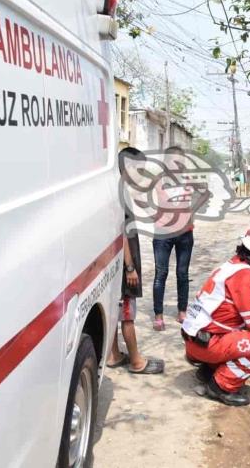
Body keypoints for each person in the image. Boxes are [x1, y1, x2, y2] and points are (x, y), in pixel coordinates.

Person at [181, 224, 250, 406]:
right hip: (209, 344)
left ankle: (209, 369)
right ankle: (221, 385)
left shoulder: (230, 265)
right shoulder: (248, 276)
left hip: (195, 340)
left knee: (240, 329)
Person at [108, 147, 165, 374]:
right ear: (128, 166)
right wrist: (130, 267)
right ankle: (136, 361)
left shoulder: (114, 189)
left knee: (115, 309)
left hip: (114, 265)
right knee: (127, 315)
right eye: (139, 169)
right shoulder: (118, 192)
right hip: (124, 266)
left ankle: (113, 355)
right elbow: (120, 233)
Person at [152, 146, 195, 331]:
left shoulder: (188, 180)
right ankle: (158, 315)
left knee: (182, 274)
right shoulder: (159, 181)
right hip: (163, 234)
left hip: (185, 233)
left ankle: (182, 311)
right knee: (161, 273)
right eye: (173, 161)